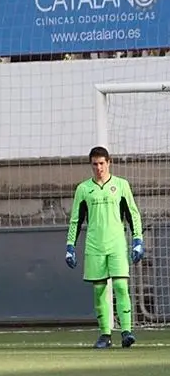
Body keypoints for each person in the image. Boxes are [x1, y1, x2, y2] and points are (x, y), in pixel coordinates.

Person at [65, 146, 144, 349]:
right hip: (94, 246)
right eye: (95, 164)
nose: (99, 168)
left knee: (120, 286)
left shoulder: (121, 185)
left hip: (116, 243)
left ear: (109, 162)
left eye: (102, 163)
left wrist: (138, 239)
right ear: (90, 165)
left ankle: (126, 332)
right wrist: (70, 246)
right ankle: (105, 335)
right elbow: (76, 220)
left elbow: (133, 214)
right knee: (99, 290)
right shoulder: (83, 189)